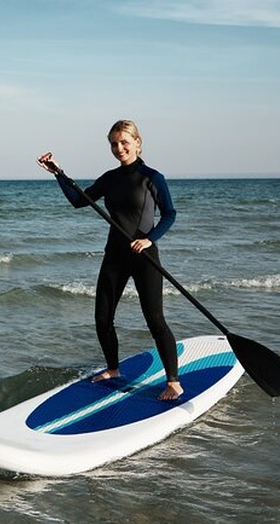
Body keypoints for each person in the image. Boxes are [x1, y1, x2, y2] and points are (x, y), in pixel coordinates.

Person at [37, 119, 183, 401]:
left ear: (138, 143)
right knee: (102, 318)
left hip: (144, 255)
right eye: (114, 144)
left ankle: (174, 381)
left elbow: (170, 214)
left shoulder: (152, 177)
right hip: (115, 254)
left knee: (154, 319)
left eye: (124, 142)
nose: (119, 148)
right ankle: (113, 369)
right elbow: (80, 201)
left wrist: (150, 238)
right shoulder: (110, 178)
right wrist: (58, 173)